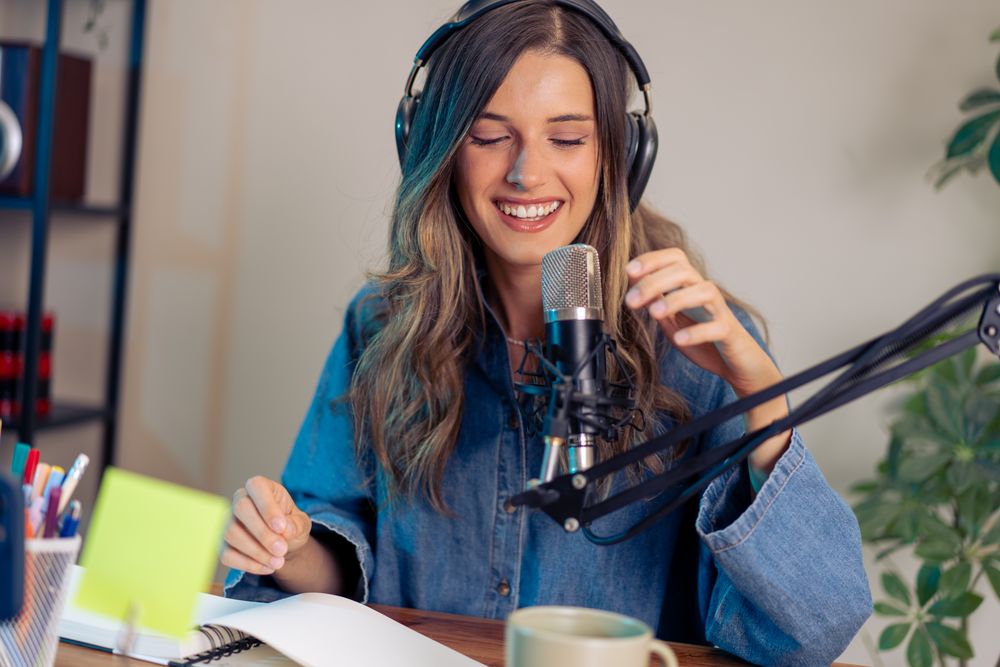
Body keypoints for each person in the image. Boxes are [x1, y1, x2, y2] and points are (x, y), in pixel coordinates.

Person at [222, 1, 872, 664]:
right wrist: (291, 544)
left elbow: (812, 632)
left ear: (620, 154)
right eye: (488, 134)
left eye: (566, 138)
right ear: (438, 146)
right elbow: (333, 571)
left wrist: (764, 400)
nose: (526, 173)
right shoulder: (383, 326)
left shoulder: (699, 349)